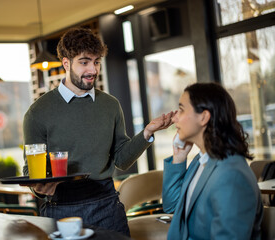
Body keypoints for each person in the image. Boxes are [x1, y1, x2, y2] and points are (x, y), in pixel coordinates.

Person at [23, 27, 175, 236]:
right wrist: (38, 188)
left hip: (108, 208)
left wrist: (147, 132)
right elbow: (30, 169)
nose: (93, 70)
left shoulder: (110, 105)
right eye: (84, 62)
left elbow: (121, 159)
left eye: (96, 62)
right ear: (66, 63)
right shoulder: (38, 113)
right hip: (61, 210)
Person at [162, 82, 263, 239]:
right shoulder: (200, 160)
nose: (175, 118)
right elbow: (172, 206)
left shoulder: (232, 177)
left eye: (181, 110)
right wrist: (179, 158)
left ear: (203, 117)